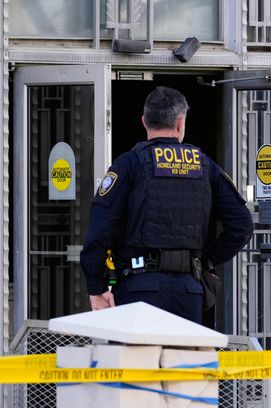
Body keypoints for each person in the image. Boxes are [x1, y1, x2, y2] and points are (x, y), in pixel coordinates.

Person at [80, 86, 254, 324]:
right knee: (186, 361)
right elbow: (242, 225)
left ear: (144, 121)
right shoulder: (204, 166)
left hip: (138, 289)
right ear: (180, 123)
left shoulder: (129, 164)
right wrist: (206, 260)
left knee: (136, 362)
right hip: (189, 291)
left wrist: (97, 287)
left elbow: (99, 230)